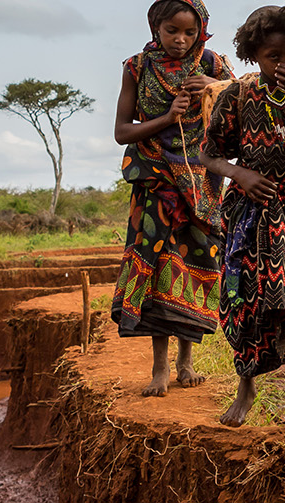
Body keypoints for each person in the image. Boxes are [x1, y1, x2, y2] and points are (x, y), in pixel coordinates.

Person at [111, 0, 245, 398]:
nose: (180, 40)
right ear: (156, 27)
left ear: (201, 29)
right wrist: (167, 119)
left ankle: (186, 364)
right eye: (171, 30)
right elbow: (121, 131)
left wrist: (217, 89)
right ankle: (159, 370)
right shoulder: (137, 67)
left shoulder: (214, 65)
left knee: (193, 264)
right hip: (154, 184)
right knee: (155, 267)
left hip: (201, 187)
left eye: (189, 32)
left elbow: (242, 105)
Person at [204, 5, 285, 428]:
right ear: (255, 55)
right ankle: (247, 388)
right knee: (246, 302)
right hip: (249, 214)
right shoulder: (238, 95)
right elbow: (209, 153)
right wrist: (242, 174)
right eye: (275, 57)